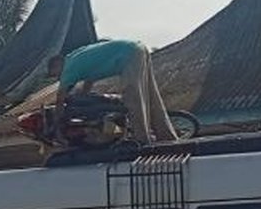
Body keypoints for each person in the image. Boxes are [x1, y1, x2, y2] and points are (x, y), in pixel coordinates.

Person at [48, 40, 178, 145]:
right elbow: (89, 81)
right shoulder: (75, 57)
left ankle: (141, 141)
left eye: (56, 74)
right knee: (150, 95)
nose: (58, 78)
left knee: (132, 99)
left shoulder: (68, 69)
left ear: (57, 65)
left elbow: (60, 99)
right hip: (138, 48)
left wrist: (57, 121)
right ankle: (166, 136)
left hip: (128, 55)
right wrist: (83, 97)